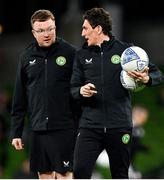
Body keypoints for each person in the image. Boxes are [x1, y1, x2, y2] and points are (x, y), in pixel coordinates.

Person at [71, 7, 164, 179]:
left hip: (119, 125)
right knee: (80, 172)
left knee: (120, 175)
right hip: (90, 126)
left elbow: (158, 75)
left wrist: (147, 79)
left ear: (98, 28)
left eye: (85, 28)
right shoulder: (81, 55)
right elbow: (73, 89)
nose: (82, 33)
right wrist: (80, 90)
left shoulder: (127, 52)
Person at [10, 9, 78, 179]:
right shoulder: (26, 56)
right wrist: (16, 132)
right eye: (41, 31)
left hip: (65, 127)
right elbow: (19, 97)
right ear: (34, 33)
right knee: (45, 176)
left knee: (64, 175)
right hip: (39, 128)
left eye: (50, 29)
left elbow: (80, 90)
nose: (46, 34)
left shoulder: (70, 53)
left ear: (55, 27)